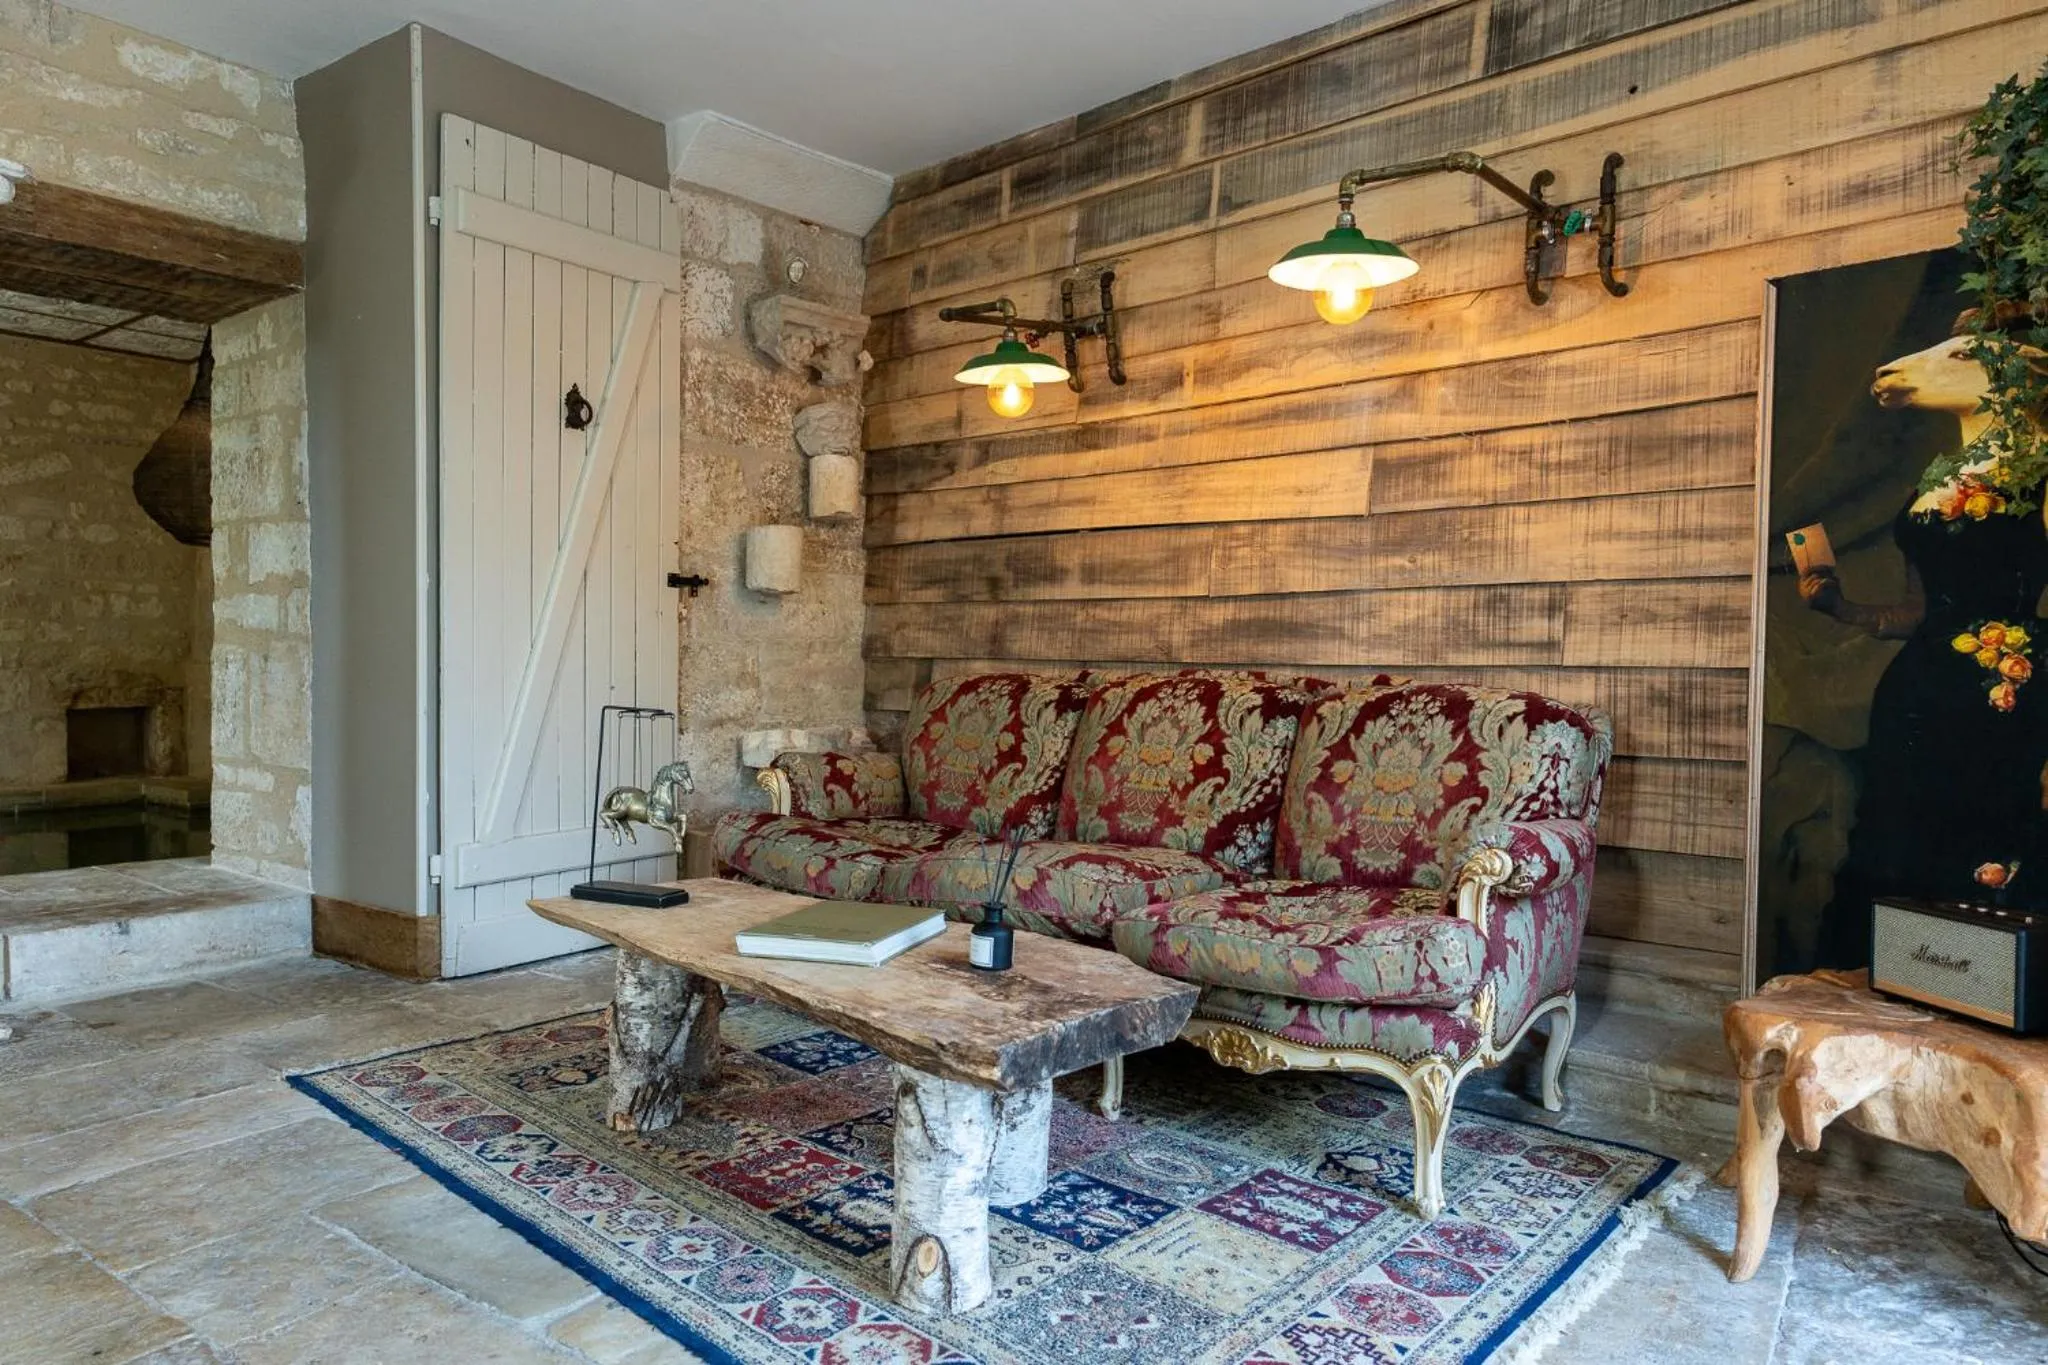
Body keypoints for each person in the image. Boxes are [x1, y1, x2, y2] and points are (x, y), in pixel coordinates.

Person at [1798, 309, 2048, 954]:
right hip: (1917, 686)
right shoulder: (1935, 483)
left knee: (1984, 829)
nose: (1909, 365)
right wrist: (1842, 609)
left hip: (2003, 693)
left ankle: (1978, 996)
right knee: (1897, 828)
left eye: (1961, 358)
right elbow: (1920, 608)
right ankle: (1890, 983)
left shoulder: (2040, 471)